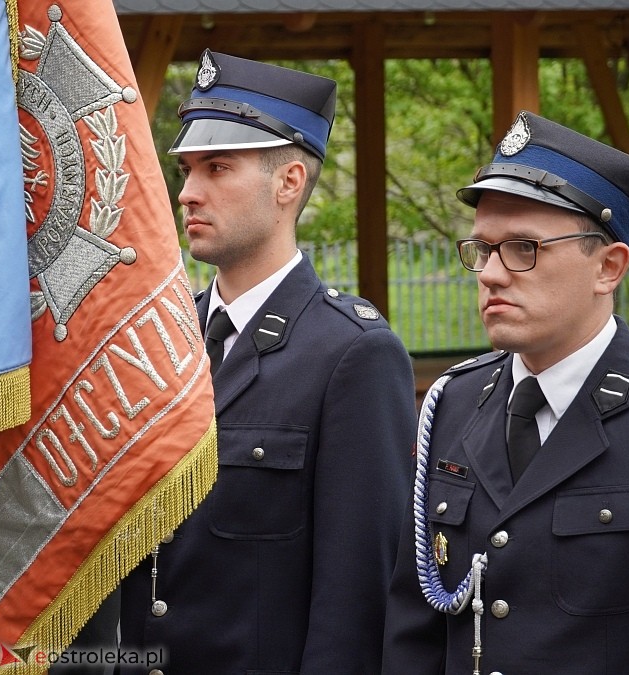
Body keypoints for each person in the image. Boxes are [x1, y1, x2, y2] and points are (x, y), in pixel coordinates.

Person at [117, 50, 415, 674]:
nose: (188, 192)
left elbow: (356, 602)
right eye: (188, 169)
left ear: (289, 183)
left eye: (218, 168)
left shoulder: (351, 355)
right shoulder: (160, 340)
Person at [382, 111, 629, 673]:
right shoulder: (453, 405)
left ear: (608, 268)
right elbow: (413, 627)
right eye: (483, 250)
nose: (490, 273)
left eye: (523, 249)